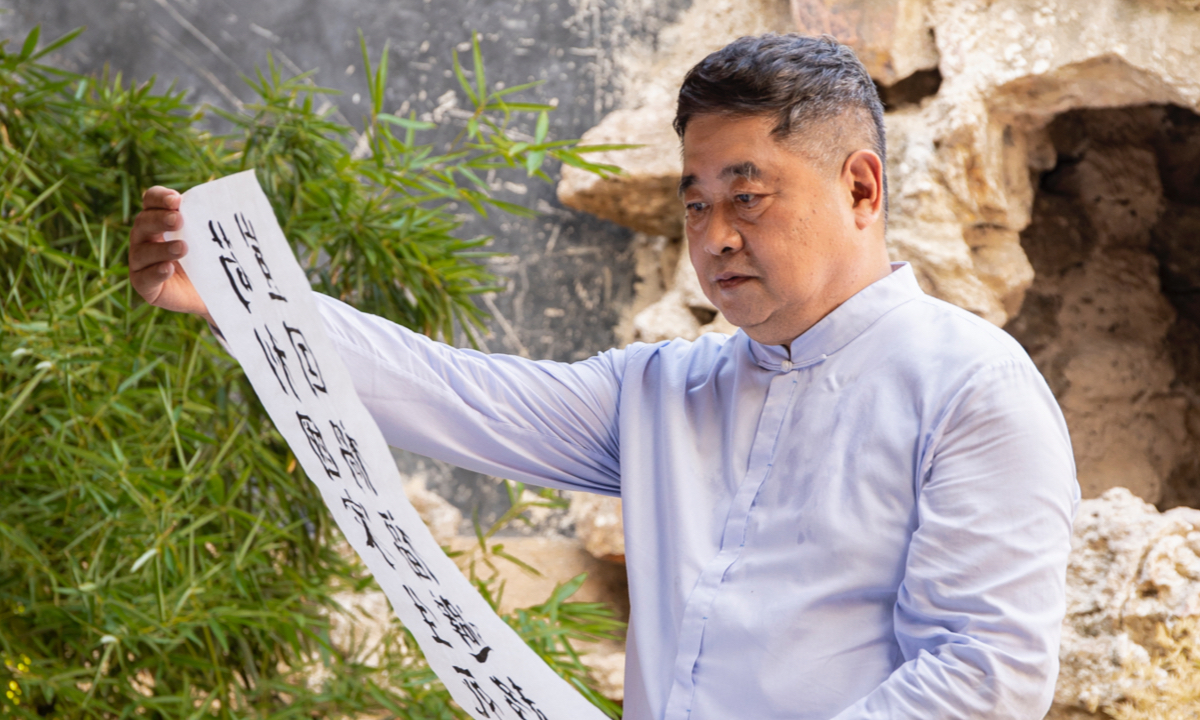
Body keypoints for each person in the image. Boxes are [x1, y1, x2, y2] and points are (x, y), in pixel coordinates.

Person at [129, 33, 1079, 720]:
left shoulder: (970, 388)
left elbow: (982, 674)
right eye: (696, 203)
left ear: (861, 188)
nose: (714, 237)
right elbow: (453, 393)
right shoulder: (661, 390)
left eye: (747, 196)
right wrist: (239, 299)